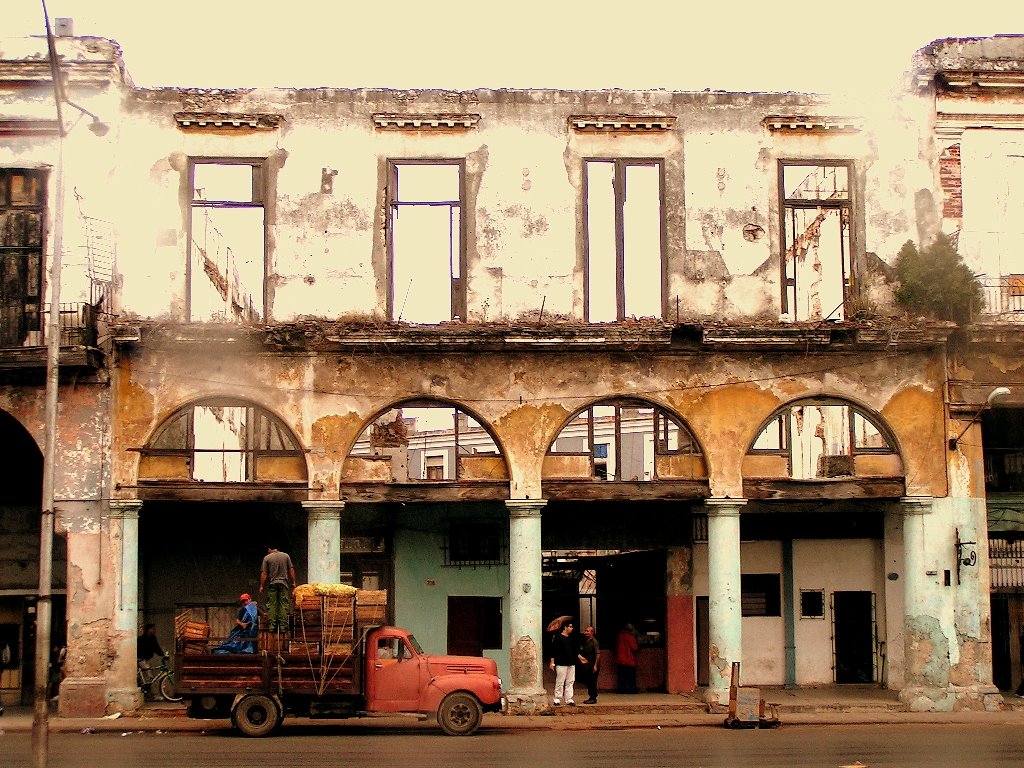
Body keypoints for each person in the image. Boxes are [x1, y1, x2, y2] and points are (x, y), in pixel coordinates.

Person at [260, 546, 297, 633]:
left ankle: (272, 627)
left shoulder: (267, 558)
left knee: (272, 605)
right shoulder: (286, 556)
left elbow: (264, 573)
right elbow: (291, 570)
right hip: (283, 584)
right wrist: (294, 582)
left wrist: (261, 586)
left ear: (269, 549)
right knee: (283, 605)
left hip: (273, 584)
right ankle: (283, 627)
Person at [548, 620, 586, 706]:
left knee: (570, 681)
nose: (571, 629)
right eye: (570, 627)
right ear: (565, 627)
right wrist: (552, 662)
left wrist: (580, 658)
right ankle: (557, 698)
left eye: (572, 627)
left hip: (571, 663)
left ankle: (569, 699)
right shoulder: (558, 637)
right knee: (560, 681)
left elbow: (575, 650)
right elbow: (553, 650)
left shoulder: (572, 638)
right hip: (561, 663)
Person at [615, 623, 640, 694]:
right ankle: (631, 689)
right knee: (631, 676)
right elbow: (635, 648)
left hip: (620, 659)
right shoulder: (630, 637)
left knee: (621, 676)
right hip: (629, 660)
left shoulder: (619, 636)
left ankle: (621, 689)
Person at [579, 625, 601, 704]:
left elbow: (598, 653)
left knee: (592, 681)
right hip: (587, 664)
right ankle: (591, 696)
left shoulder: (594, 642)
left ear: (592, 632)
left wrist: (595, 665)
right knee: (588, 681)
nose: (585, 633)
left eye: (587, 631)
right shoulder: (586, 641)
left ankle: (593, 697)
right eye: (585, 631)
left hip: (592, 664)